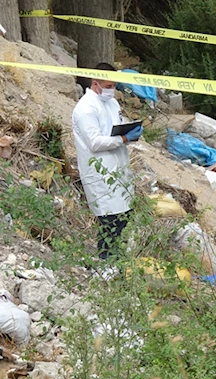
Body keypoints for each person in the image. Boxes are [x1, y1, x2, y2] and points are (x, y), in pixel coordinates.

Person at [72, 63, 143, 261]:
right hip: (100, 172)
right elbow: (94, 142)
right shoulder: (86, 108)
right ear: (95, 84)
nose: (112, 90)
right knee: (110, 221)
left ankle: (115, 262)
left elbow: (115, 127)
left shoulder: (112, 104)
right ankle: (105, 263)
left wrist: (129, 131)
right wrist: (124, 138)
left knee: (124, 217)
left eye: (114, 86)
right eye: (108, 86)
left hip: (118, 168)